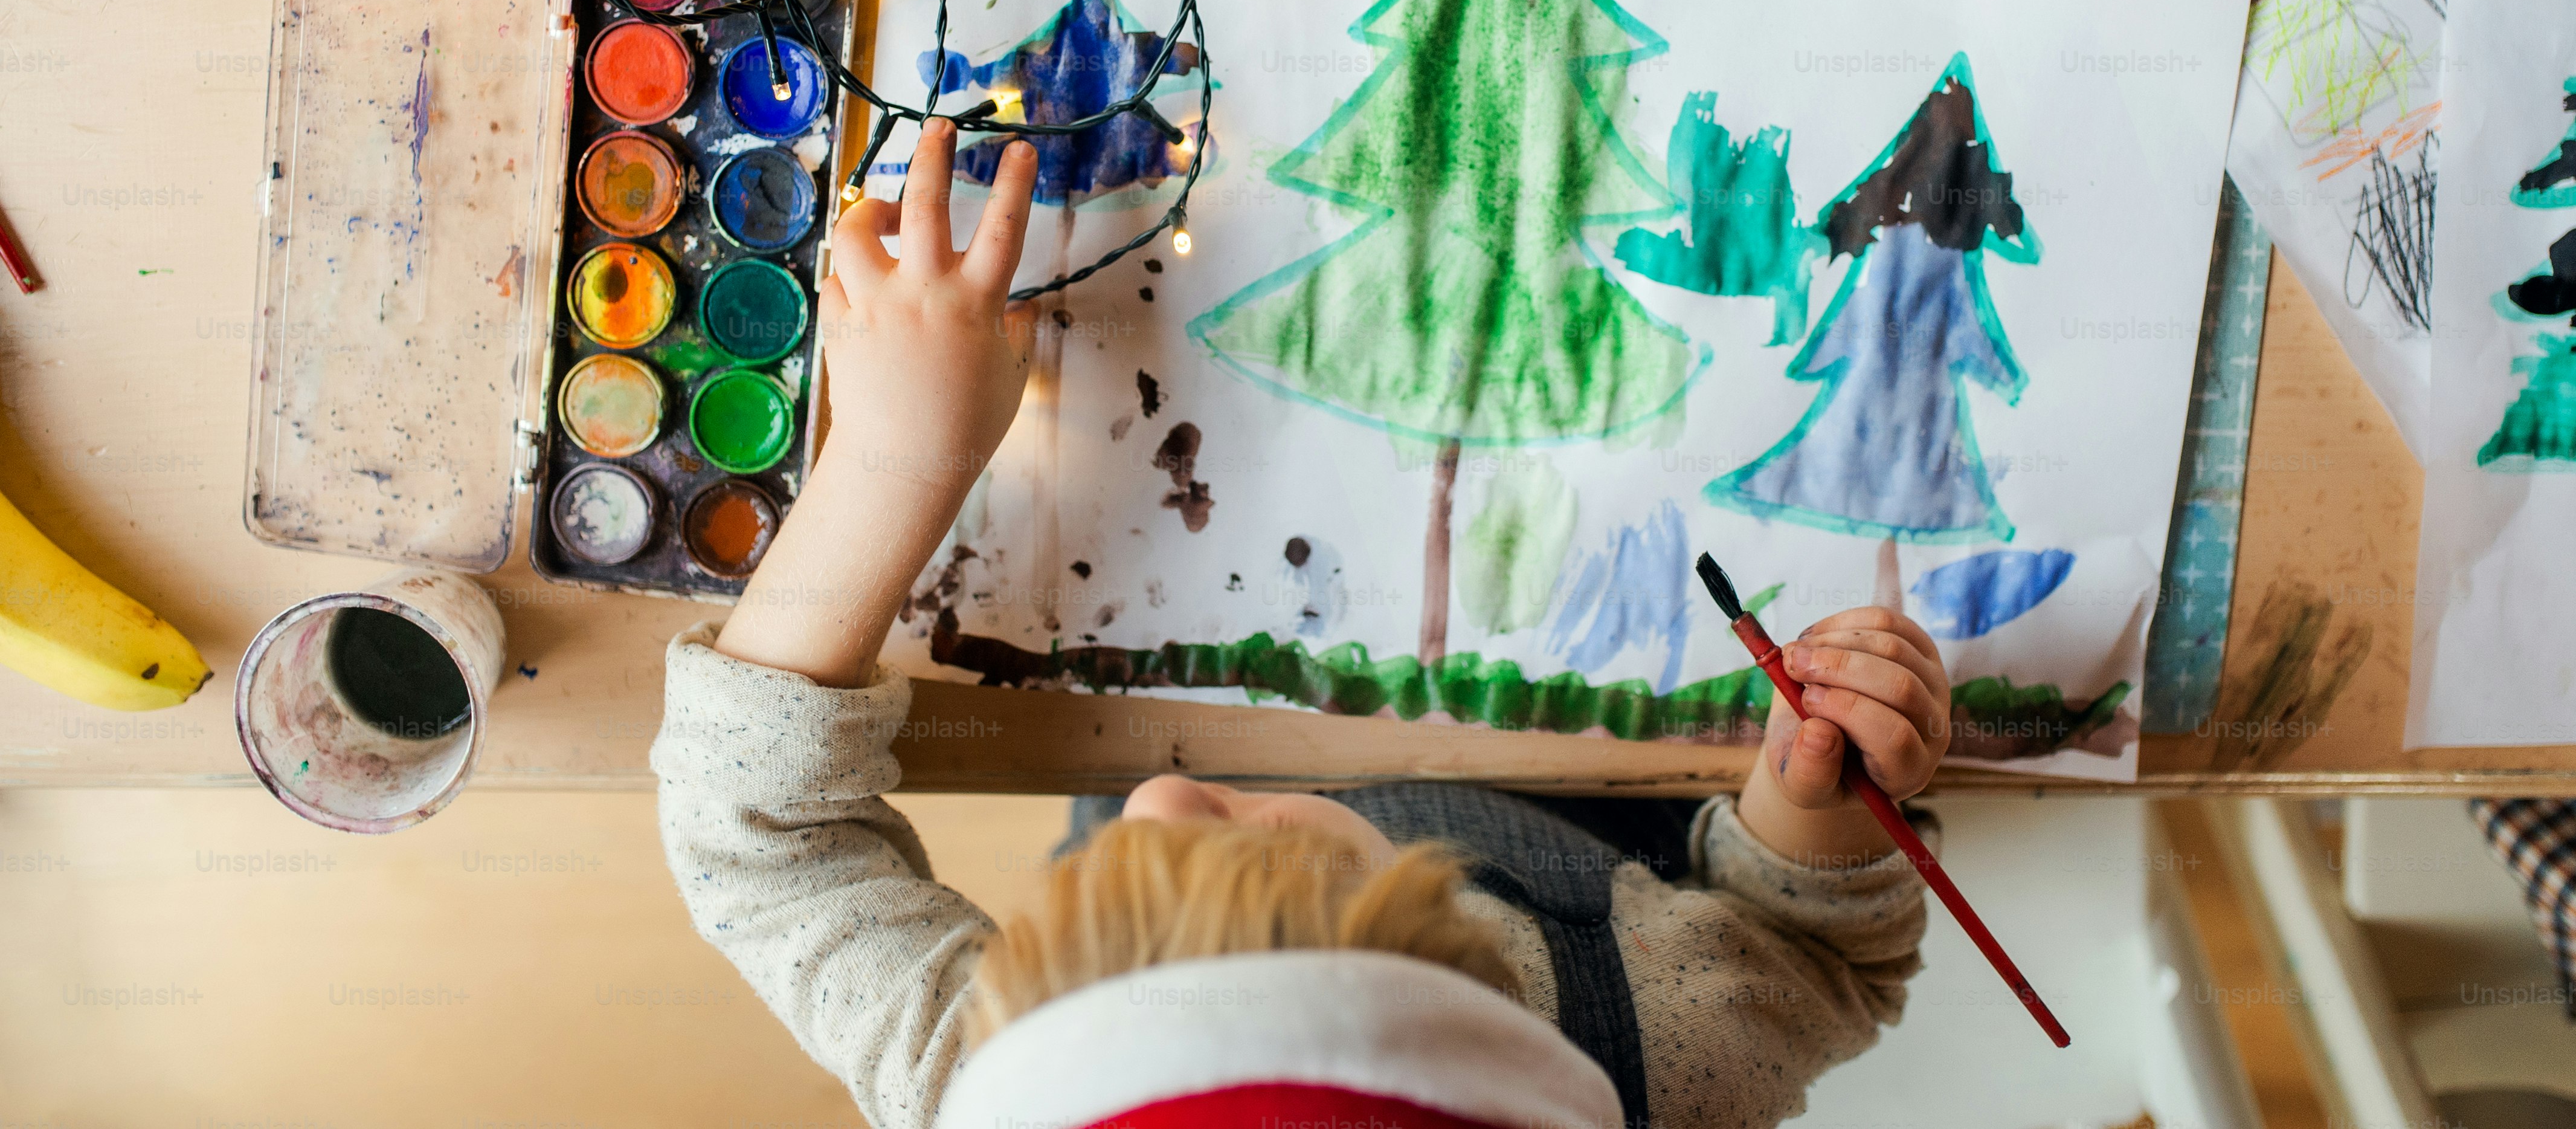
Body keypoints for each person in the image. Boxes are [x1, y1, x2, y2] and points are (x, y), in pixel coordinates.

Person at [652, 119, 1952, 1129]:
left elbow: (757, 841)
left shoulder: (999, 1084)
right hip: (1606, 803)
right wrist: (1812, 808)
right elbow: (1812, 958)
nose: (1161, 810)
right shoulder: (1680, 1057)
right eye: (1254, 848)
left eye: (1115, 906)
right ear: (1465, 975)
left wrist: (892, 460)